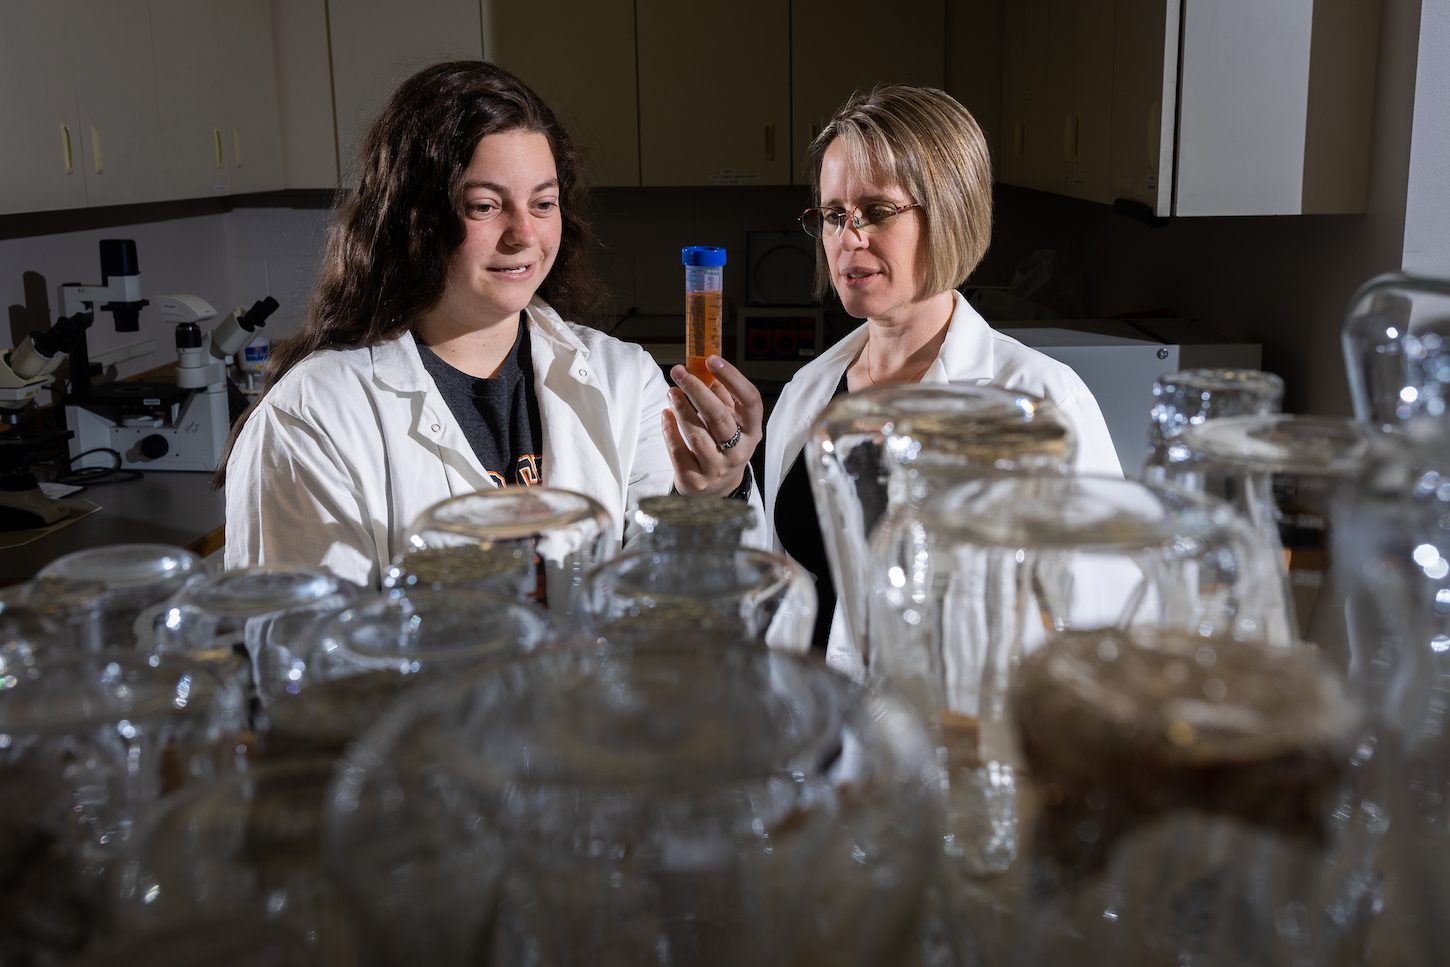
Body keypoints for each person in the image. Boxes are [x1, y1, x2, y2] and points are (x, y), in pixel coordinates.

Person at [220, 62, 765, 588]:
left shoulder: (624, 382)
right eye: (484, 206)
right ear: (414, 218)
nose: (523, 234)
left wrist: (714, 497)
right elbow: (301, 653)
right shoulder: (312, 417)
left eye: (543, 202)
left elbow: (671, 601)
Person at [764, 85, 1122, 673]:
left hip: (954, 748)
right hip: (814, 737)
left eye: (877, 212)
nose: (848, 238)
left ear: (950, 211)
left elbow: (1094, 628)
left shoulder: (1042, 401)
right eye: (833, 216)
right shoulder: (809, 390)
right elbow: (782, 593)